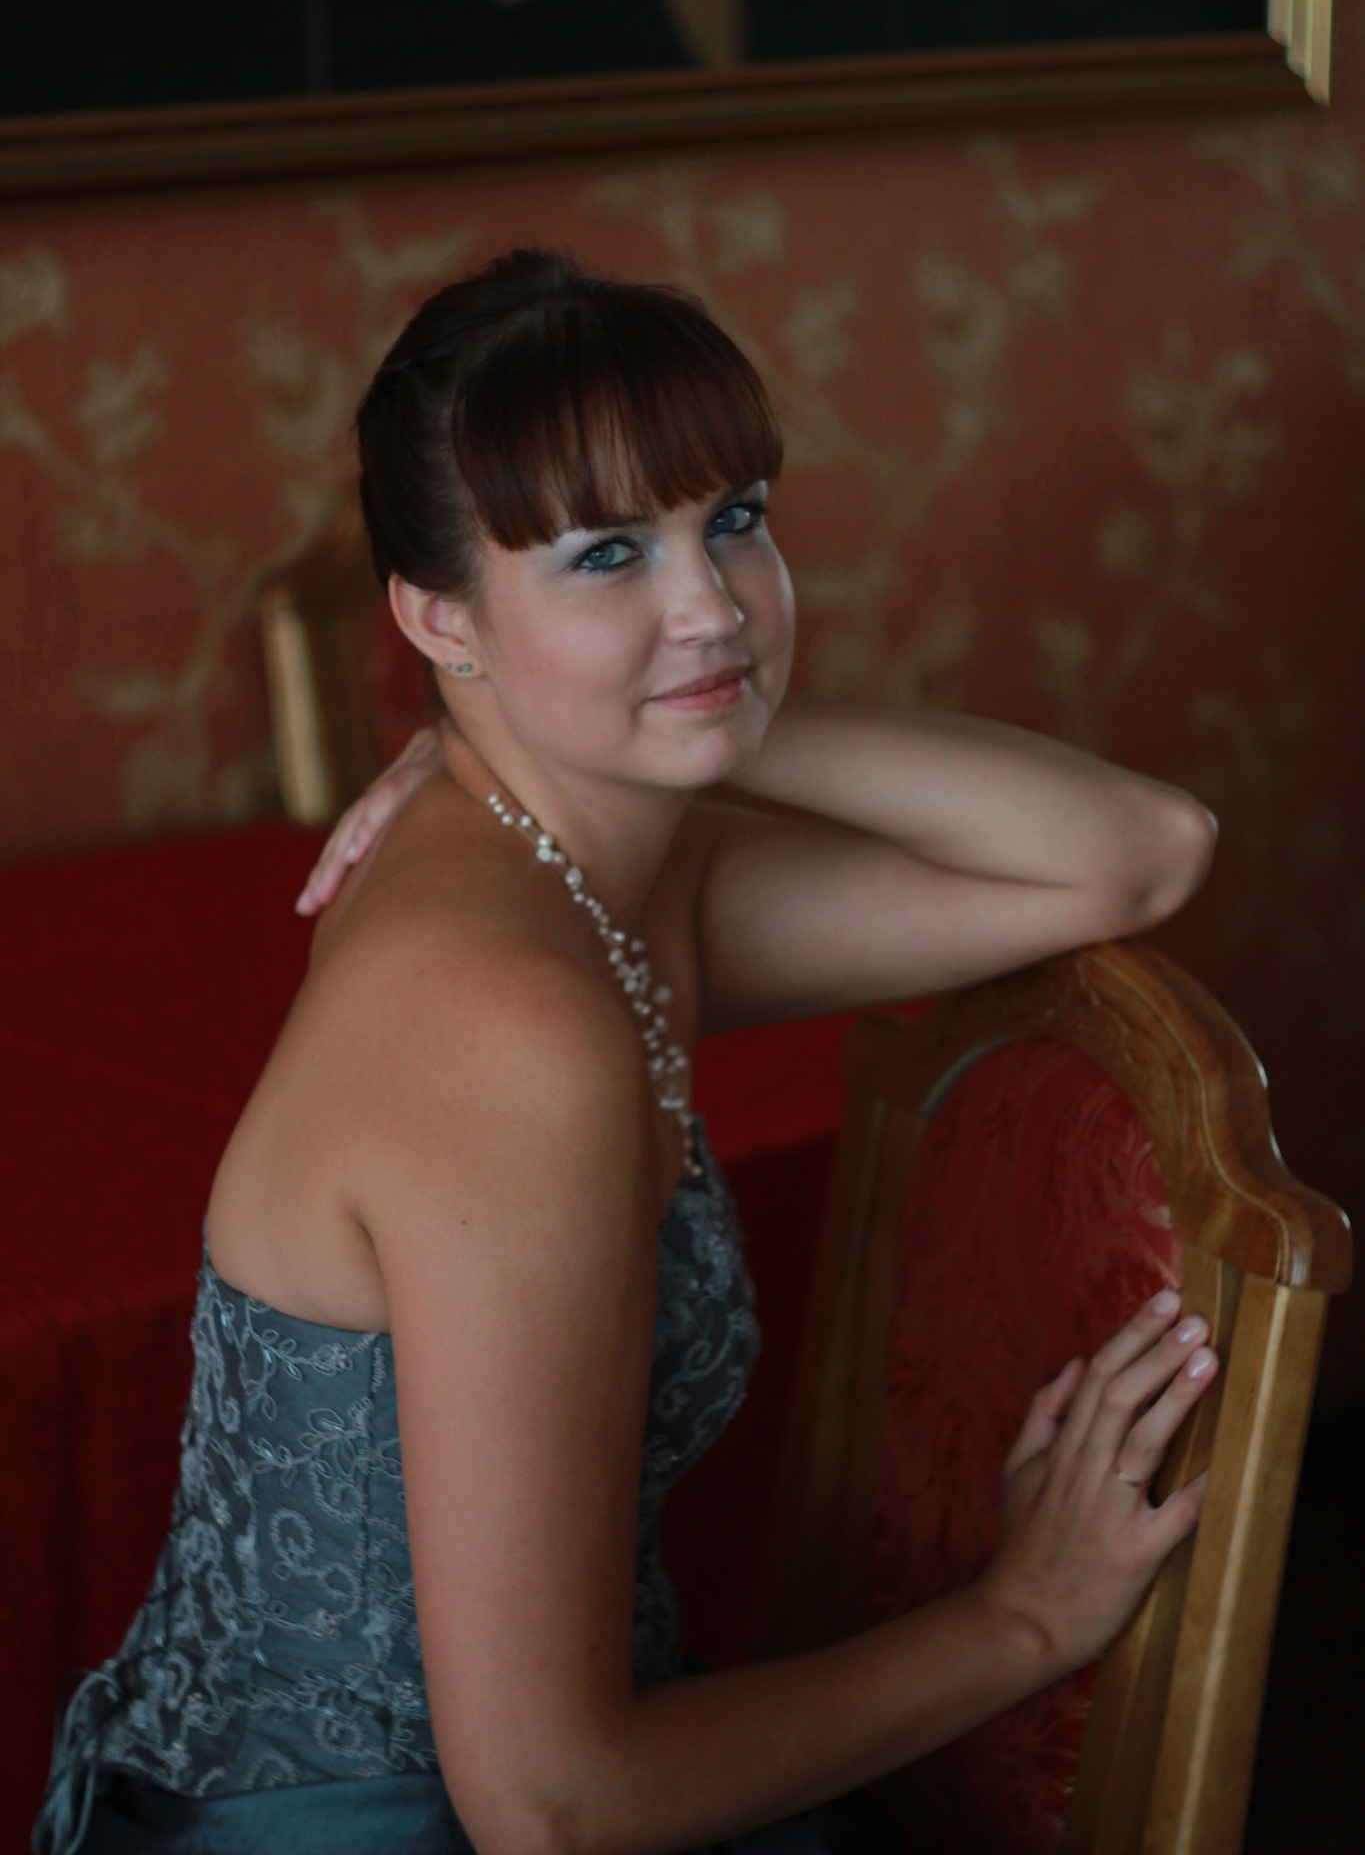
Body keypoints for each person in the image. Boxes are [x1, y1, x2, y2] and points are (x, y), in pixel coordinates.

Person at [36, 249, 1220, 1855]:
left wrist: (677, 700)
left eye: (733, 518)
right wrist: (1019, 1620)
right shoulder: (504, 1021)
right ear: (435, 615)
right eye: (605, 553)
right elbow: (551, 1809)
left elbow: (1135, 853)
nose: (711, 598)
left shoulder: (603, 871)